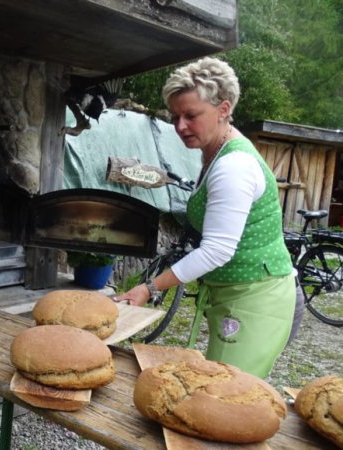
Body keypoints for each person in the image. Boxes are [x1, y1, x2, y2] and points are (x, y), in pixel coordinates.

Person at [115, 57, 296, 378]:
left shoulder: (233, 166)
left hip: (255, 298)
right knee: (217, 385)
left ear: (224, 109)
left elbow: (217, 250)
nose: (180, 126)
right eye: (175, 116)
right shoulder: (214, 151)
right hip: (232, 293)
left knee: (227, 396)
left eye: (191, 115)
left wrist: (149, 288)